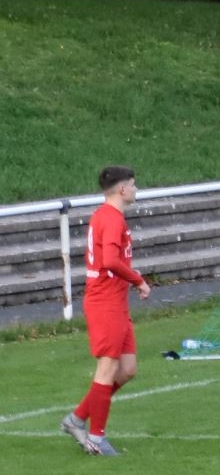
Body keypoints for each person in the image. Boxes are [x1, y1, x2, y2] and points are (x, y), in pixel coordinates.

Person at [60, 166, 152, 456]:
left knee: (127, 369)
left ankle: (77, 419)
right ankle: (97, 438)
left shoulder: (105, 216)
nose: (136, 190)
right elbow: (110, 260)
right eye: (133, 185)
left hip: (116, 303)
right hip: (105, 303)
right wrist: (138, 280)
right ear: (122, 189)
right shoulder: (111, 219)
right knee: (108, 368)